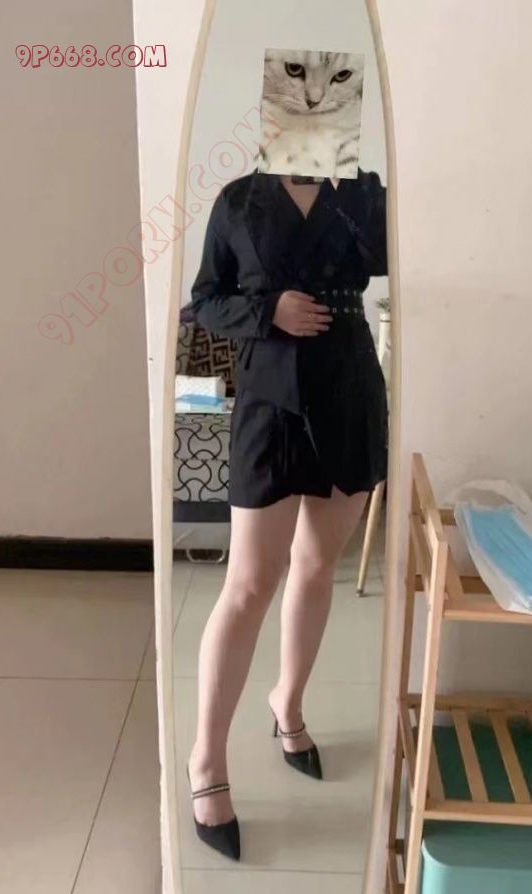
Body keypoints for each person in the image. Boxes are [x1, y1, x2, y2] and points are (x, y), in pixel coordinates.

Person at [186, 169, 388, 860]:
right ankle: (206, 759)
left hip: (350, 390)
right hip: (269, 398)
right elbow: (206, 301)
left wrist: (359, 184)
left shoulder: (363, 191)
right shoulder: (239, 200)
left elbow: (391, 261)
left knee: (317, 566)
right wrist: (268, 310)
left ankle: (289, 703)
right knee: (248, 585)